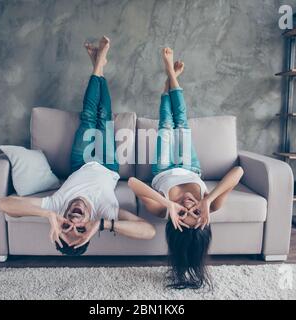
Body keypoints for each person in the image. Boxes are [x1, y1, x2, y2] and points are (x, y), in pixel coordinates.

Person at [0, 36, 156, 256]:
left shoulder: (55, 206)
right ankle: (98, 64)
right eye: (79, 229)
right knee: (104, 116)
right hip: (109, 166)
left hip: (81, 162)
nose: (72, 221)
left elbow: (3, 204)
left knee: (90, 115)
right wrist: (102, 225)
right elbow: (148, 231)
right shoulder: (105, 214)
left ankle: (99, 64)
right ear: (88, 230)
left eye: (65, 227)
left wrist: (49, 216)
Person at [128, 47, 244, 289]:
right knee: (181, 120)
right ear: (204, 219)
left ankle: (170, 76)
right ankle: (171, 74)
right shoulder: (210, 205)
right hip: (189, 166)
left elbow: (133, 183)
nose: (190, 207)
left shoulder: (162, 210)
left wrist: (169, 204)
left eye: (183, 214)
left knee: (166, 123)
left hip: (163, 169)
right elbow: (238, 172)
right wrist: (209, 199)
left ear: (174, 221)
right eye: (196, 214)